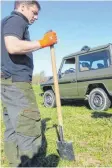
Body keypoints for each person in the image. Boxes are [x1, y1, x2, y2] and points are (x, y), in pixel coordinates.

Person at [1, 0, 57, 166]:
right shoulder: (17, 20)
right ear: (22, 7)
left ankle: (15, 163)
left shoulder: (4, 22)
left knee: (12, 128)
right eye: (34, 12)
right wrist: (43, 43)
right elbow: (12, 46)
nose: (36, 17)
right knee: (28, 129)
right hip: (18, 85)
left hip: (6, 83)